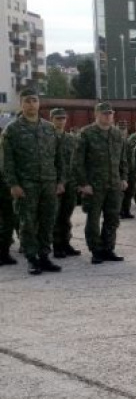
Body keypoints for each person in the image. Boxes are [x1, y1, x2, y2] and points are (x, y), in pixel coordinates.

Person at [1, 88, 65, 275]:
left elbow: (59, 157)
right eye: (27, 101)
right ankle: (31, 258)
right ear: (21, 104)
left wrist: (61, 181)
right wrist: (13, 184)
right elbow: (7, 161)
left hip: (48, 183)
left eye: (34, 100)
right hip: (26, 185)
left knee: (47, 221)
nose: (31, 104)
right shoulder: (12, 130)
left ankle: (44, 256)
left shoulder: (49, 128)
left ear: (39, 103)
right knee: (27, 223)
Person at [74, 102, 128, 265]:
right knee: (93, 220)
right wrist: (83, 183)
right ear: (96, 114)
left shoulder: (117, 133)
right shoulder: (86, 133)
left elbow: (123, 158)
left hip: (114, 183)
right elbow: (77, 161)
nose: (108, 116)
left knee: (113, 218)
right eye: (105, 113)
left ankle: (108, 248)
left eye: (110, 113)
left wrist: (124, 178)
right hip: (94, 185)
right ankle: (96, 250)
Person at [50, 108, 82, 259]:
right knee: (55, 215)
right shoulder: (47, 137)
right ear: (51, 119)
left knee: (66, 214)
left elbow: (76, 161)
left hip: (70, 181)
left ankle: (66, 243)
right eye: (58, 118)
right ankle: (56, 245)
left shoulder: (71, 139)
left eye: (63, 118)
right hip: (54, 181)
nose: (61, 121)